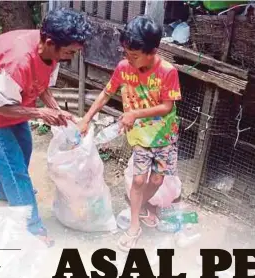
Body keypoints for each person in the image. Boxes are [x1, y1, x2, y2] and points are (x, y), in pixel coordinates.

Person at [0, 9, 92, 247]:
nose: (71, 57)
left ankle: (4, 190)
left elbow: (41, 85)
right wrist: (41, 112)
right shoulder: (19, 62)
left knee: (24, 148)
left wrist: (56, 110)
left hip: (9, 94)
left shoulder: (51, 52)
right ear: (50, 43)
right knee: (14, 166)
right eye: (70, 52)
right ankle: (30, 227)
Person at [78, 15, 182, 251]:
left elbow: (167, 106)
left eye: (134, 55)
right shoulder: (124, 68)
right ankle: (134, 225)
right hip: (140, 137)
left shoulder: (168, 71)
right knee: (138, 179)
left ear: (153, 50)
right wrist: (86, 118)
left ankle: (141, 206)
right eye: (126, 53)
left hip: (164, 136)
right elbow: (106, 93)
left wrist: (135, 114)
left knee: (157, 180)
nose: (128, 59)